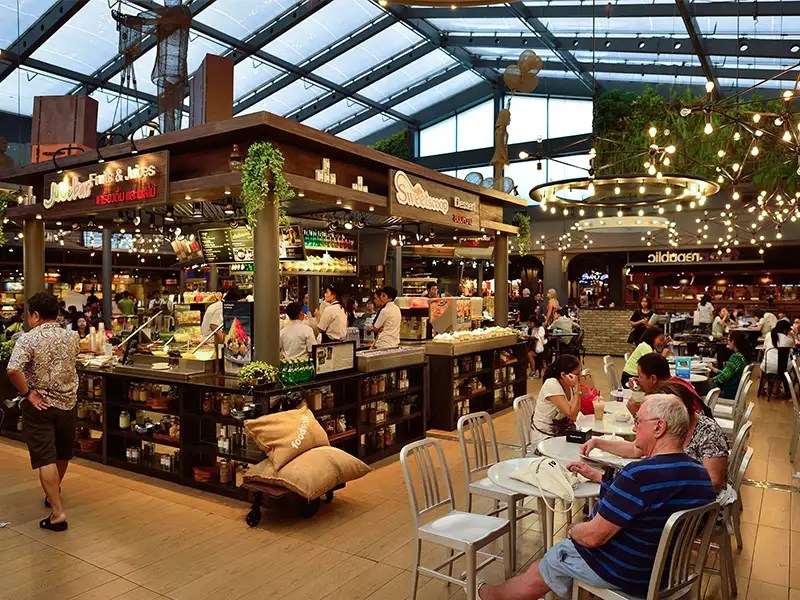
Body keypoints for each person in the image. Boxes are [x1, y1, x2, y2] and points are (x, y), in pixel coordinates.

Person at [480, 395, 716, 600]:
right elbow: (647, 507)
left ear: (658, 427)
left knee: (553, 557)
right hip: (669, 572)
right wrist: (599, 478)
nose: (635, 429)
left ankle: (490, 596)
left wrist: (572, 529)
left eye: (639, 422)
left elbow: (593, 537)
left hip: (629, 574)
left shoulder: (638, 476)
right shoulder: (701, 476)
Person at [7, 293, 81, 532]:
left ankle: (58, 512)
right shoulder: (72, 336)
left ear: (35, 315)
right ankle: (53, 494)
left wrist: (28, 393)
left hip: (40, 406)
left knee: (45, 457)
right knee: (61, 453)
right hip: (68, 404)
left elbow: (12, 370)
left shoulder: (28, 339)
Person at [582, 386, 729, 495]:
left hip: (694, 509)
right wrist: (597, 443)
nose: (634, 428)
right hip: (670, 497)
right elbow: (635, 449)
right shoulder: (668, 433)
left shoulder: (707, 431)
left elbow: (714, 483)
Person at [628, 352, 709, 416]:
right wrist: (639, 388)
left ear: (653, 378)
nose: (638, 379)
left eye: (640, 376)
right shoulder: (677, 381)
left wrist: (636, 413)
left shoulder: (668, 396)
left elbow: (657, 429)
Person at [528, 354, 581, 448]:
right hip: (544, 436)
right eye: (576, 374)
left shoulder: (569, 385)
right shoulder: (552, 384)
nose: (578, 378)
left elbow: (575, 414)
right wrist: (577, 388)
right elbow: (572, 415)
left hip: (560, 433)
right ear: (563, 375)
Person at [708, 331, 752, 398]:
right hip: (733, 390)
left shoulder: (736, 357)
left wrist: (710, 379)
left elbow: (724, 377)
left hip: (726, 391)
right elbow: (728, 374)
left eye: (728, 340)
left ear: (733, 342)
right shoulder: (743, 356)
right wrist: (713, 369)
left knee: (699, 387)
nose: (727, 342)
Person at [761, 319, 793, 396]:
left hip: (767, 366)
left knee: (766, 369)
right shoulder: (788, 340)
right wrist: (792, 335)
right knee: (782, 367)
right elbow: (793, 346)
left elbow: (764, 347)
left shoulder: (769, 335)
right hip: (781, 368)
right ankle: (775, 388)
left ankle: (761, 389)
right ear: (785, 330)